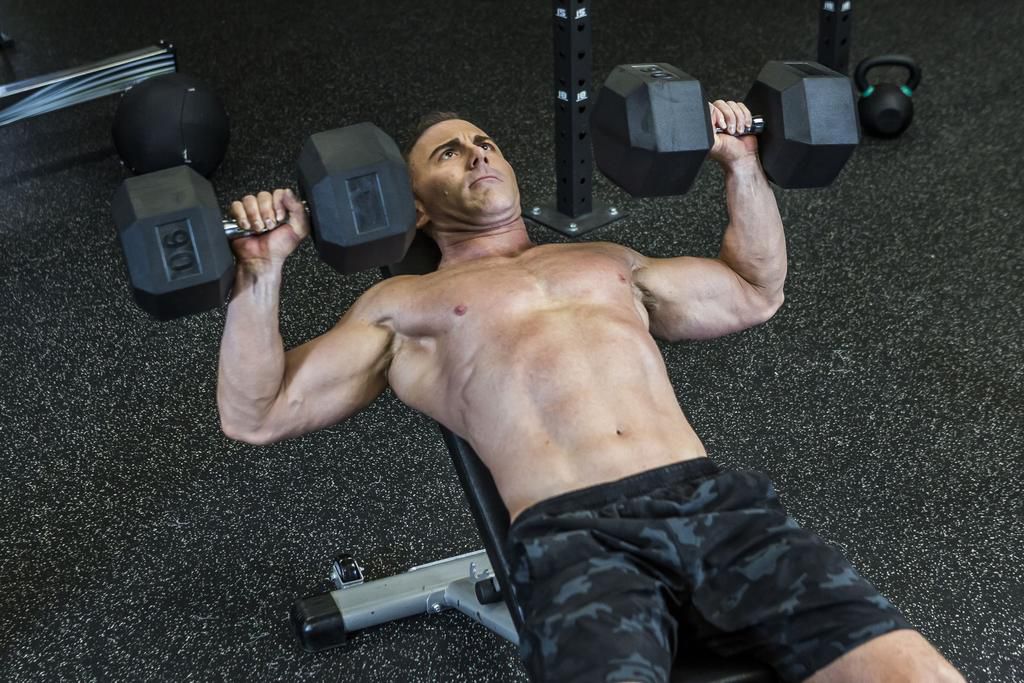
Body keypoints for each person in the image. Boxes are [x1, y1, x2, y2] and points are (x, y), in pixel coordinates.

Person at [216, 101, 964, 683]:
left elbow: (754, 290)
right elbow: (257, 413)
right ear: (414, 206)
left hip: (715, 507)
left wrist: (740, 165)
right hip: (576, 540)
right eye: (449, 152)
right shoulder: (404, 305)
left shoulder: (605, 259)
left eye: (486, 143)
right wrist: (262, 271)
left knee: (914, 669)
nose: (478, 153)